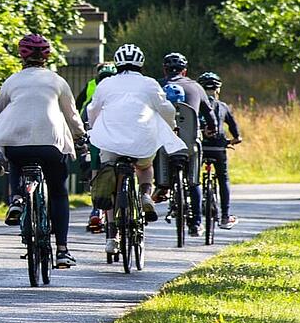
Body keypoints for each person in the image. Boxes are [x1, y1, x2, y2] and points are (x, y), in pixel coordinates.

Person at [0, 33, 85, 269]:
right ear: (47, 57)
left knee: (15, 160)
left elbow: (0, 112)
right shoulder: (57, 81)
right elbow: (71, 116)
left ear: (21, 56)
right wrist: (80, 135)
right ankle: (62, 250)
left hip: (17, 144)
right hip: (50, 144)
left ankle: (17, 199)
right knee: (58, 193)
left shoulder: (11, 81)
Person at [87, 43, 187, 256]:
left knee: (111, 180)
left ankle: (112, 236)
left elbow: (93, 109)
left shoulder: (106, 84)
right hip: (142, 139)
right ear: (141, 63)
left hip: (111, 140)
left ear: (118, 62)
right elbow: (166, 109)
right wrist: (172, 127)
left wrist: (94, 127)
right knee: (144, 166)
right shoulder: (150, 84)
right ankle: (144, 195)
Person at [160, 51, 215, 235]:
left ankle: (162, 187)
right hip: (190, 143)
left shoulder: (159, 86)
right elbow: (210, 114)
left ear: (165, 70)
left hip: (165, 146)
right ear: (184, 71)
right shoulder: (197, 87)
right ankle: (196, 223)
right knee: (194, 182)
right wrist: (211, 128)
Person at [197, 71, 242, 229]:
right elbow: (235, 129)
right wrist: (235, 139)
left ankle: (192, 212)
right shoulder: (223, 107)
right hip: (218, 147)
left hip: (201, 147)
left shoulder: (196, 105)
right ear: (218, 89)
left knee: (193, 178)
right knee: (223, 179)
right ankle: (225, 216)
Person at [79, 61, 118, 233]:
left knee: (95, 167)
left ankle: (96, 209)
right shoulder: (121, 90)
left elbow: (82, 110)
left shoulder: (93, 86)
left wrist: (81, 132)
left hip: (96, 136)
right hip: (121, 138)